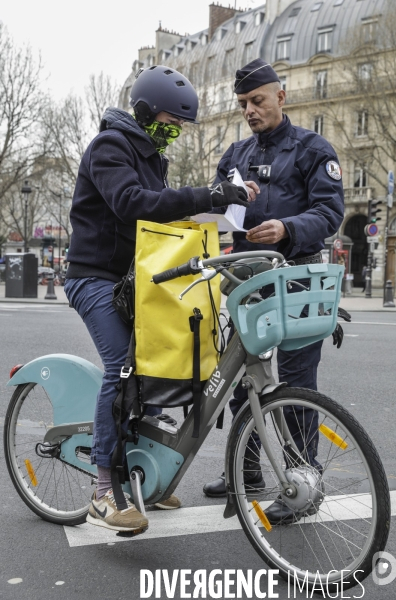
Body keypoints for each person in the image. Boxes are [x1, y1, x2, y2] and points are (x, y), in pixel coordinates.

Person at [64, 65, 249, 533]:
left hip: (133, 279)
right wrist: (204, 193)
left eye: (181, 126)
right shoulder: (110, 147)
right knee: (123, 366)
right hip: (95, 277)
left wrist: (215, 222)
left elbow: (160, 218)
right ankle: (104, 491)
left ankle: (140, 469)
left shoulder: (152, 158)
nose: (175, 131)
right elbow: (131, 203)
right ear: (145, 111)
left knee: (154, 362)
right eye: (171, 122)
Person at [203, 59, 345, 524]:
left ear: (281, 97)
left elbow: (329, 213)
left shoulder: (313, 148)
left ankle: (306, 479)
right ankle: (246, 473)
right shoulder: (235, 153)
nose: (249, 110)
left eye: (257, 101)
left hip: (299, 277)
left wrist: (286, 226)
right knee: (247, 378)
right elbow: (217, 204)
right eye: (243, 103)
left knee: (299, 384)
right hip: (249, 280)